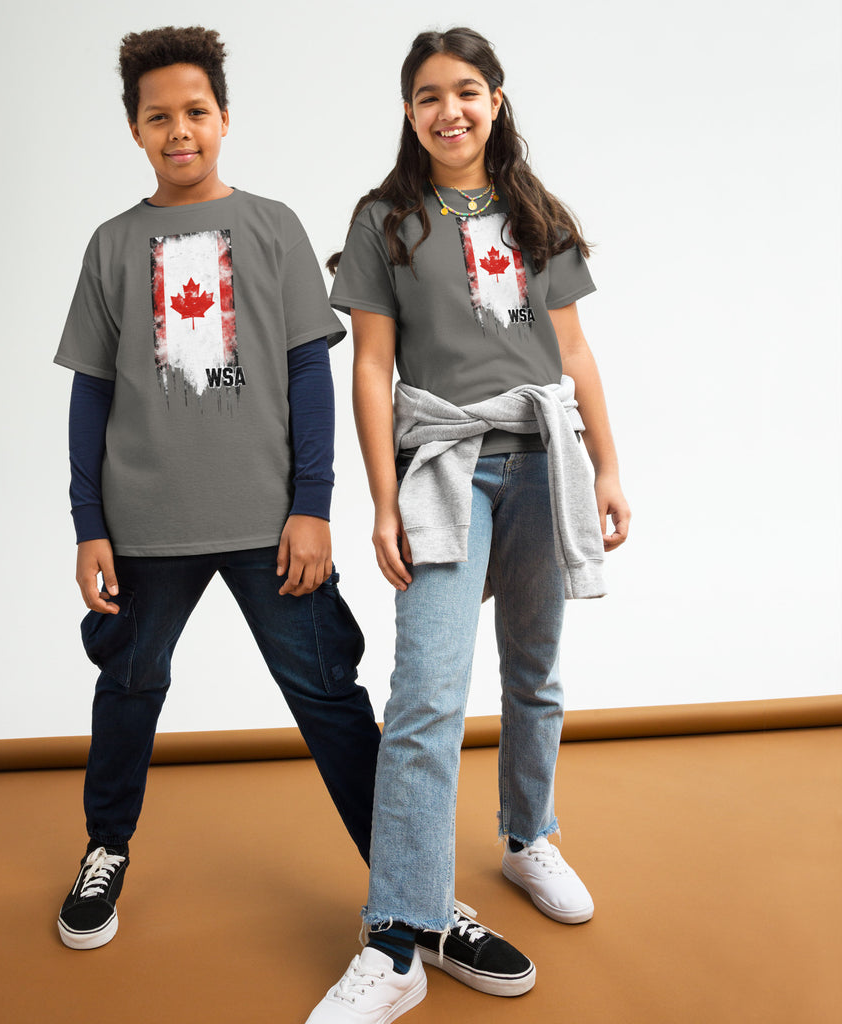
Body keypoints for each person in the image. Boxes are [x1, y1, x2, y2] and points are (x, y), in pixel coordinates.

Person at [52, 28, 529, 995]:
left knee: (334, 706)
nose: (179, 130)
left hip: (276, 531)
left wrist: (312, 507)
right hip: (145, 528)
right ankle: (107, 847)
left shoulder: (269, 227)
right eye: (158, 116)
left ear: (223, 119)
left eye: (195, 112)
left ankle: (416, 899)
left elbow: (312, 374)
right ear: (135, 130)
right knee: (130, 689)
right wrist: (87, 523)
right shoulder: (111, 246)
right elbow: (91, 393)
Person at [306, 26, 630, 1023]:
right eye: (426, 97)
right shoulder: (385, 221)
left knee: (533, 667)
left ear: (495, 98)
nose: (448, 110)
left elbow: (572, 355)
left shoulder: (537, 216)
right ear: (407, 113)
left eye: (465, 91)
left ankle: (528, 836)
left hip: (544, 460)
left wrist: (609, 464)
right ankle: (398, 938)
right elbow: (368, 368)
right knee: (426, 697)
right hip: (445, 465)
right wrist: (377, 498)